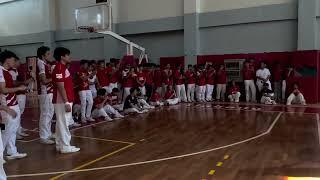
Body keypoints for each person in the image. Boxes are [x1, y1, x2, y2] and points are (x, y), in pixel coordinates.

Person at [0, 50, 28, 160]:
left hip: (13, 103)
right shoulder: (1, 71)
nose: (14, 61)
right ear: (7, 59)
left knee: (13, 129)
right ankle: (1, 155)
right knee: (7, 130)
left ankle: (12, 151)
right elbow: (3, 89)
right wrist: (19, 88)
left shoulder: (7, 72)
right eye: (13, 59)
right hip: (7, 105)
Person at [52, 47, 80, 153]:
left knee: (61, 123)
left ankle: (60, 144)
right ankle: (65, 146)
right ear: (62, 57)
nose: (69, 57)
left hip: (64, 100)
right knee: (64, 123)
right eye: (67, 55)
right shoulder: (59, 68)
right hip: (62, 101)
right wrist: (66, 102)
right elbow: (60, 86)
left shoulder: (63, 68)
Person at [36, 46, 55, 144]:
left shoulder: (44, 64)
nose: (50, 55)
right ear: (43, 55)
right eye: (48, 54)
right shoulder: (40, 63)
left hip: (49, 92)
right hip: (45, 93)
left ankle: (48, 133)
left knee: (50, 113)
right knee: (45, 114)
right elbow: (43, 81)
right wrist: (54, 78)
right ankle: (43, 136)